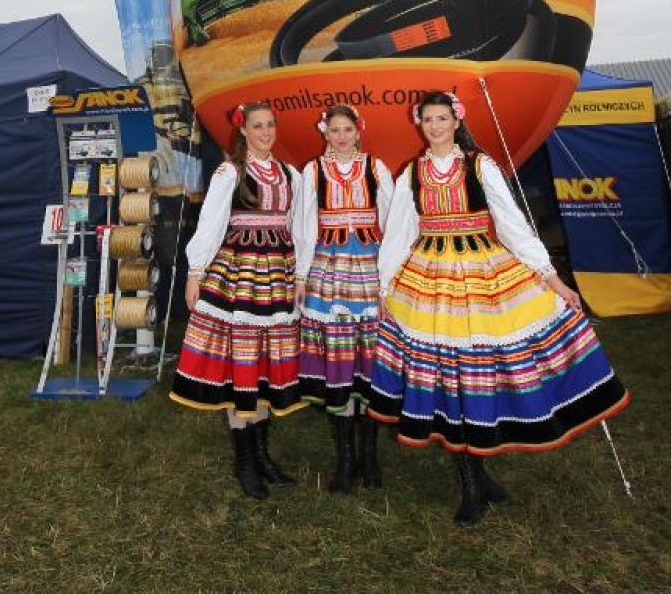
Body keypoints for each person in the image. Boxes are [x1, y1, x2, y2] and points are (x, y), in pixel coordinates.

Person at [369, 90, 630, 526]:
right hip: (428, 278)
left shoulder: (479, 164)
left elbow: (512, 225)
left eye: (441, 119)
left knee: (476, 372)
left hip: (480, 271)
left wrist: (552, 279)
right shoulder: (410, 173)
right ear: (420, 124)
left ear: (455, 121)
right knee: (445, 378)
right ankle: (472, 480)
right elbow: (398, 232)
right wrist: (384, 286)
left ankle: (480, 471)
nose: (434, 127)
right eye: (427, 120)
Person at [169, 100, 303, 499]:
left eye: (269, 126)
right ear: (243, 131)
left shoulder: (290, 174)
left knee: (265, 364)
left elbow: (299, 227)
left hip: (277, 275)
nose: (265, 133)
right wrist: (196, 272)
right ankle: (245, 461)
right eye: (257, 126)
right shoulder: (231, 171)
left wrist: (301, 273)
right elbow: (211, 221)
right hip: (239, 275)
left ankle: (262, 455)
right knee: (239, 363)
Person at [296, 105, 393, 493]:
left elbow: (392, 219)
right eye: (334, 130)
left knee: (368, 361)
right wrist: (302, 275)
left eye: (347, 129)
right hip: (329, 271)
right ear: (325, 133)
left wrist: (391, 274)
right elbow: (304, 225)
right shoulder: (313, 171)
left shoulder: (375, 167)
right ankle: (345, 457)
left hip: (369, 270)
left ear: (358, 131)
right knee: (338, 362)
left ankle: (369, 455)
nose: (340, 137)